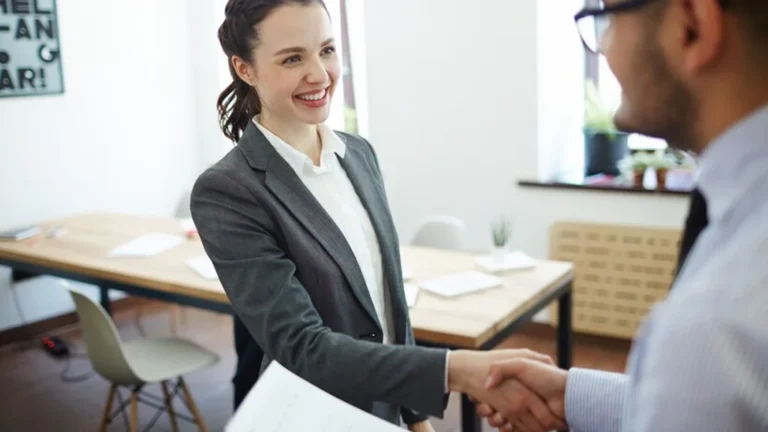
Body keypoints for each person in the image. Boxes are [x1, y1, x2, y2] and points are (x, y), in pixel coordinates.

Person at [190, 1, 564, 430]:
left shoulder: (358, 154)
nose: (319, 73)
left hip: (384, 414)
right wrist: (456, 369)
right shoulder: (228, 191)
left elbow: (388, 304)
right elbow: (302, 347)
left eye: (327, 50)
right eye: (293, 58)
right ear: (245, 69)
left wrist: (414, 415)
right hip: (312, 418)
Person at [472, 0, 768, 430]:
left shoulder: (711, 325)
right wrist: (571, 395)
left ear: (692, 26)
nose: (604, 49)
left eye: (608, 20)